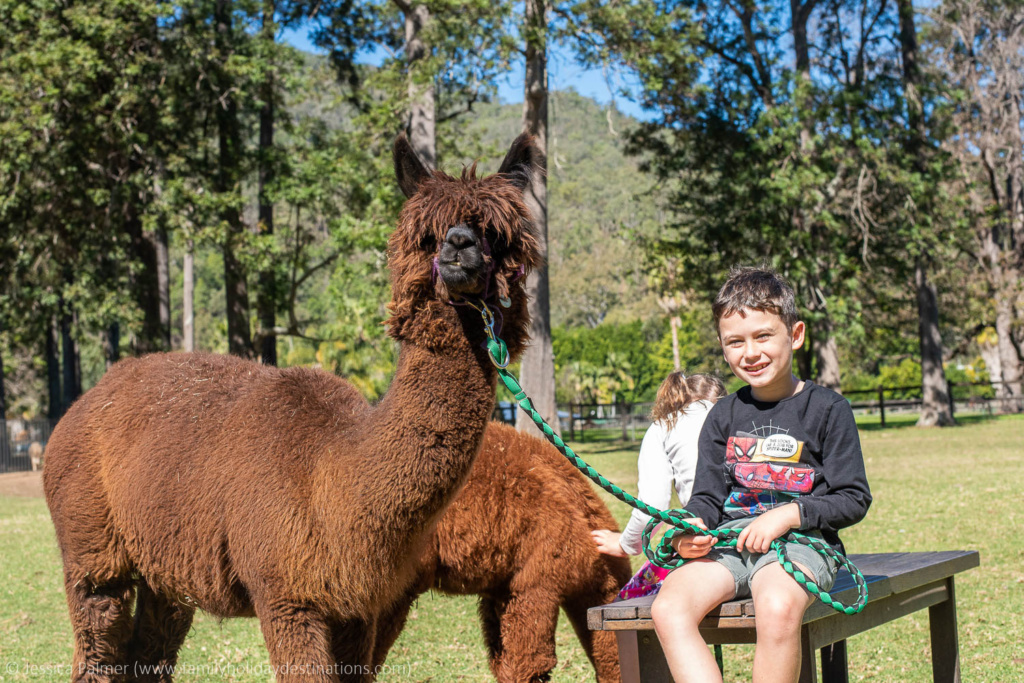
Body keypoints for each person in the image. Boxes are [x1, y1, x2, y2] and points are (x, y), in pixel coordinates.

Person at [650, 266, 872, 683]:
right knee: (669, 606)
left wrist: (787, 515)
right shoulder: (722, 416)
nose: (750, 352)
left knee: (775, 604)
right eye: (735, 342)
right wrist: (692, 526)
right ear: (723, 346)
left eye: (763, 336)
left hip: (803, 544)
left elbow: (853, 497)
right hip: (732, 544)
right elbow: (706, 498)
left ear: (796, 334)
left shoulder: (828, 409)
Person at [592, 372, 725, 599]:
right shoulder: (740, 417)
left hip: (700, 539)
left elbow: (652, 506)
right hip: (755, 533)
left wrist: (626, 545)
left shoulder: (664, 426)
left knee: (627, 606)